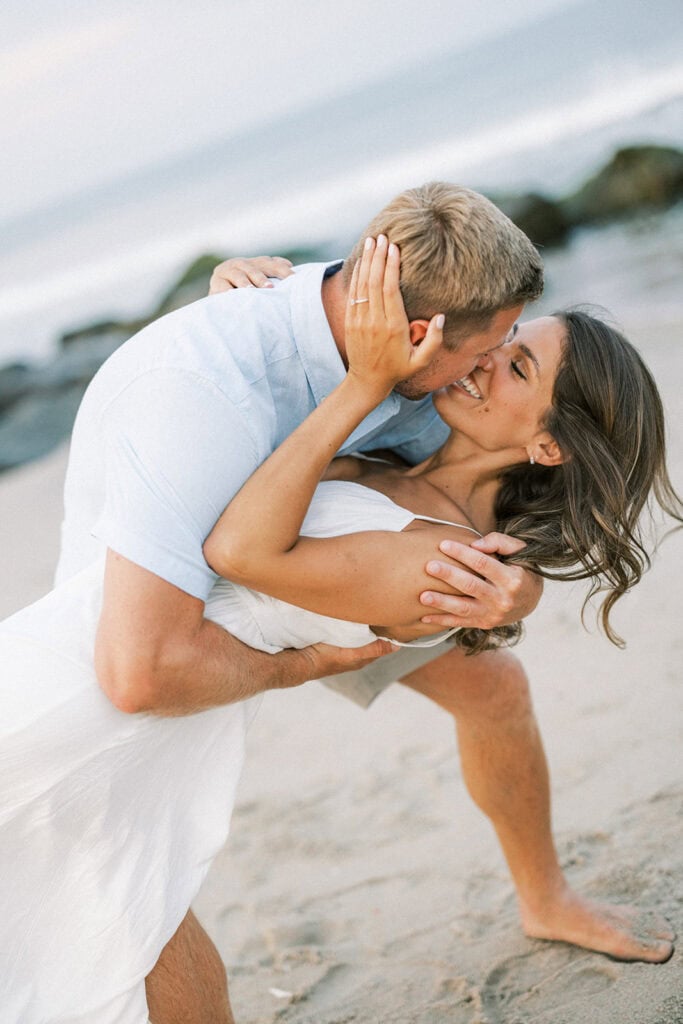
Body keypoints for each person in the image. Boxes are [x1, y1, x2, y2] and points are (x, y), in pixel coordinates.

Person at [0, 183, 666, 1022]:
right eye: (493, 346)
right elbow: (163, 642)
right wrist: (298, 665)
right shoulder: (239, 379)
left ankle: (546, 895)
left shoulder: (429, 396)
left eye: (514, 353)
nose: (489, 359)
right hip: (155, 607)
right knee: (123, 898)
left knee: (493, 688)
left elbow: (458, 496)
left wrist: (515, 585)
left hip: (318, 578)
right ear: (415, 335)